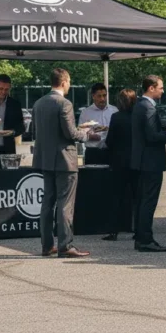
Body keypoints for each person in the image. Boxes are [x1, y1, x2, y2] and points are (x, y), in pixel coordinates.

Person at [32, 68, 99, 258]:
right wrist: (86, 134)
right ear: (64, 82)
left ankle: (47, 245)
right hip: (64, 160)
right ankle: (65, 245)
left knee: (47, 202)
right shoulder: (65, 104)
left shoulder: (38, 103)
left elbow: (44, 131)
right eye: (69, 82)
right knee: (65, 204)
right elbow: (70, 133)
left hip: (45, 159)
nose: (69, 85)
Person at [130, 75, 166, 252]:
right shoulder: (147, 107)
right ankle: (145, 239)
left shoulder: (141, 105)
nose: (163, 91)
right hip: (150, 162)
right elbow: (151, 136)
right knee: (148, 201)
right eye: (161, 88)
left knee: (143, 200)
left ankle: (142, 237)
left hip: (143, 161)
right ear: (151, 88)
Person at [102, 89, 139, 242]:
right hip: (136, 161)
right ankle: (138, 229)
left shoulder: (116, 117)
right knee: (138, 197)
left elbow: (109, 141)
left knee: (116, 197)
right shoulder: (138, 116)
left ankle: (113, 230)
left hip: (118, 161)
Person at [79, 82, 117, 166]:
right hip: (93, 152)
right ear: (93, 96)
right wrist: (90, 136)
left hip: (111, 152)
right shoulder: (86, 113)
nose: (102, 99)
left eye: (104, 95)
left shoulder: (114, 111)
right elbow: (81, 134)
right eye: (99, 96)